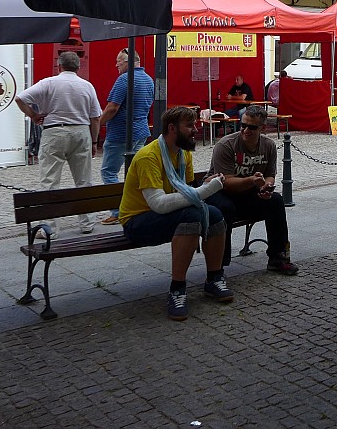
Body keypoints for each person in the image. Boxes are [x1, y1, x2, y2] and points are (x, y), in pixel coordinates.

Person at [119, 106, 233, 321]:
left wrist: (205, 185)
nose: (195, 130)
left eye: (195, 124)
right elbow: (158, 204)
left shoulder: (183, 153)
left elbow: (189, 191)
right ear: (172, 128)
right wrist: (205, 190)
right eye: (189, 125)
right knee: (191, 217)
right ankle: (177, 289)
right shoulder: (148, 157)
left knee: (215, 214)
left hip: (165, 216)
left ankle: (214, 278)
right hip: (137, 222)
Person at [15, 51, 102, 236]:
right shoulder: (87, 86)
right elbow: (95, 117)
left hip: (54, 132)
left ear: (59, 66)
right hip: (80, 131)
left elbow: (20, 99)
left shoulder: (48, 83)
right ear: (78, 67)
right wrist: (94, 141)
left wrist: (34, 115)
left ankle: (49, 229)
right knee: (84, 180)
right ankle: (87, 223)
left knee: (49, 181)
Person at [205, 105, 298, 274]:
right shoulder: (226, 145)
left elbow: (269, 175)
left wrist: (266, 187)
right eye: (243, 125)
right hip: (220, 192)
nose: (245, 130)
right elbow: (225, 182)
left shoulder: (268, 146)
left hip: (248, 193)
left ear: (262, 128)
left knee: (276, 201)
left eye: (252, 127)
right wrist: (252, 181)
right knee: (225, 209)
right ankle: (218, 267)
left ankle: (278, 257)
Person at [97, 49, 155, 225]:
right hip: (141, 131)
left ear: (128, 62)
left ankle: (118, 212)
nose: (116, 65)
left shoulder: (124, 79)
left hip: (121, 133)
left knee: (109, 171)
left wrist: (98, 124)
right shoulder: (148, 79)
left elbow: (112, 107)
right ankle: (136, 207)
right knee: (133, 172)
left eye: (119, 61)